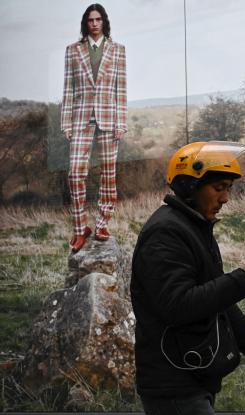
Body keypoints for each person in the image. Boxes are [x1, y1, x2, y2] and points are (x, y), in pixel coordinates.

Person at [130, 142, 245, 415]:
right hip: (173, 383)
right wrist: (242, 280)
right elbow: (178, 305)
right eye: (219, 188)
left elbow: (216, 298)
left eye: (229, 189)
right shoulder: (166, 233)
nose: (225, 198)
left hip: (192, 372)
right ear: (189, 186)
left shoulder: (194, 227)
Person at [61, 3, 127, 252]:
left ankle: (102, 224)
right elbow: (68, 89)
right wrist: (66, 123)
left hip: (110, 119)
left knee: (108, 175)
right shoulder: (73, 51)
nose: (95, 23)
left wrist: (121, 122)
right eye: (90, 20)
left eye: (98, 19)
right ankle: (80, 229)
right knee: (75, 174)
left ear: (104, 22)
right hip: (80, 119)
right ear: (85, 23)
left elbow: (121, 89)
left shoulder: (118, 51)